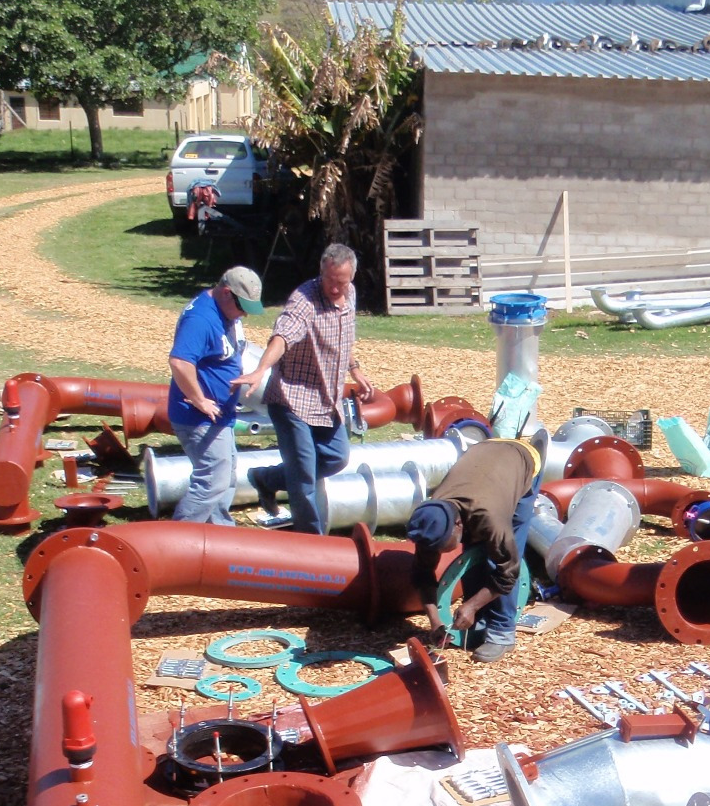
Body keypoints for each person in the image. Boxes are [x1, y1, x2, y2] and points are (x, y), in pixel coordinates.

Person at [231, 243, 372, 533]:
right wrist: (260, 369)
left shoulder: (350, 295)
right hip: (291, 400)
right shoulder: (304, 300)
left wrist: (355, 369)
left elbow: (344, 339)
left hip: (325, 400)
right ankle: (311, 539)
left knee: (336, 457)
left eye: (341, 282)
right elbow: (283, 336)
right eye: (329, 280)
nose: (335, 288)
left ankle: (266, 479)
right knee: (304, 476)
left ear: (351, 278)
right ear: (321, 271)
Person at [405, 433, 545, 664]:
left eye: (442, 547)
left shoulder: (490, 517)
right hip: (484, 457)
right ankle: (477, 622)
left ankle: (501, 632)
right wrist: (436, 621)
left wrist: (471, 605)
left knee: (496, 557)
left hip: (521, 459)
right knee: (472, 553)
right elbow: (422, 575)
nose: (439, 552)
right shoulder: (432, 520)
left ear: (458, 524)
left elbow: (508, 573)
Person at [166, 265, 263, 524]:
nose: (245, 314)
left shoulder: (225, 312)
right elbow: (180, 362)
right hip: (198, 417)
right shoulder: (200, 319)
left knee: (226, 478)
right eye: (242, 307)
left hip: (221, 414)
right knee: (212, 481)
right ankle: (179, 538)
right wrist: (200, 400)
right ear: (226, 292)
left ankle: (219, 535)